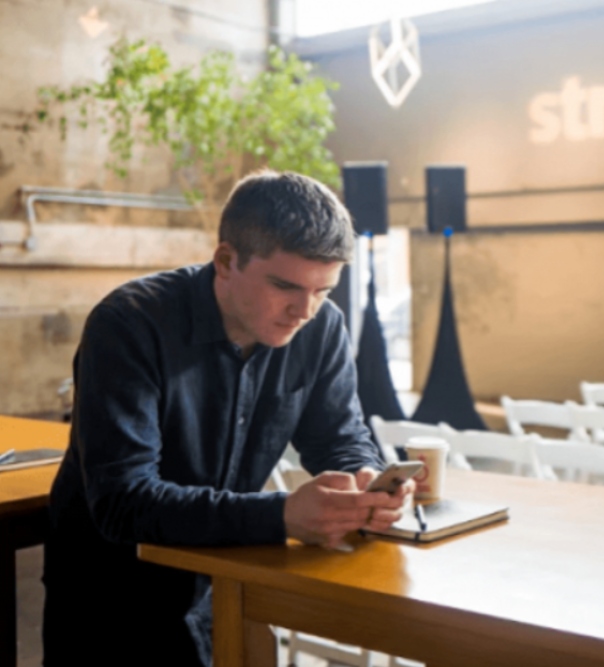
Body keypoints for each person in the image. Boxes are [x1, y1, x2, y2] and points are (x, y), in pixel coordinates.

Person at [43, 171, 412, 666]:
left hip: (227, 580)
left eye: (323, 290)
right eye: (284, 285)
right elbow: (122, 504)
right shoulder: (128, 324)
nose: (304, 310)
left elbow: (339, 438)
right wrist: (281, 515)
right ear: (225, 261)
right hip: (112, 595)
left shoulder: (322, 326)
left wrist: (365, 478)